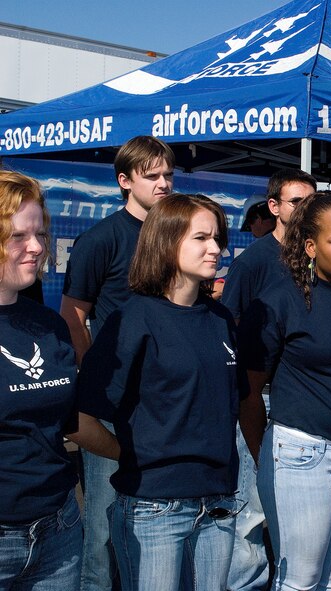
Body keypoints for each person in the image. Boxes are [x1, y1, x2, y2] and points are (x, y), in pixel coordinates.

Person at [74, 193, 245, 591]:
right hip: (155, 508)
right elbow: (79, 419)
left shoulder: (220, 319)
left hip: (219, 502)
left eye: (217, 237)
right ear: (167, 242)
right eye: (201, 238)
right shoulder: (133, 319)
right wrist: (128, 453)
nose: (216, 248)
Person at [237, 192, 331, 591]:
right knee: (299, 581)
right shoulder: (278, 302)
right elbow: (248, 394)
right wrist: (264, 458)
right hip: (301, 457)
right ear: (310, 246)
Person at [58, 135, 174, 591]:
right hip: (112, 403)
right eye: (153, 175)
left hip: (163, 400)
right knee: (103, 527)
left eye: (168, 174)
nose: (164, 183)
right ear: (125, 181)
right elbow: (73, 317)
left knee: (158, 519)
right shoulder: (100, 239)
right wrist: (98, 377)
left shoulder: (173, 236)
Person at [220, 168, 316, 591]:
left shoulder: (317, 258)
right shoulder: (255, 260)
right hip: (262, 397)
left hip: (305, 398)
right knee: (252, 507)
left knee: (298, 507)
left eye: (312, 200)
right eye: (298, 201)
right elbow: (230, 322)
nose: (306, 209)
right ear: (274, 206)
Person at [0, 171, 82, 590]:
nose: (36, 247)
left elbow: (69, 421)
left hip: (59, 526)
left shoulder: (49, 324)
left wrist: (128, 453)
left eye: (40, 233)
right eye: (18, 236)